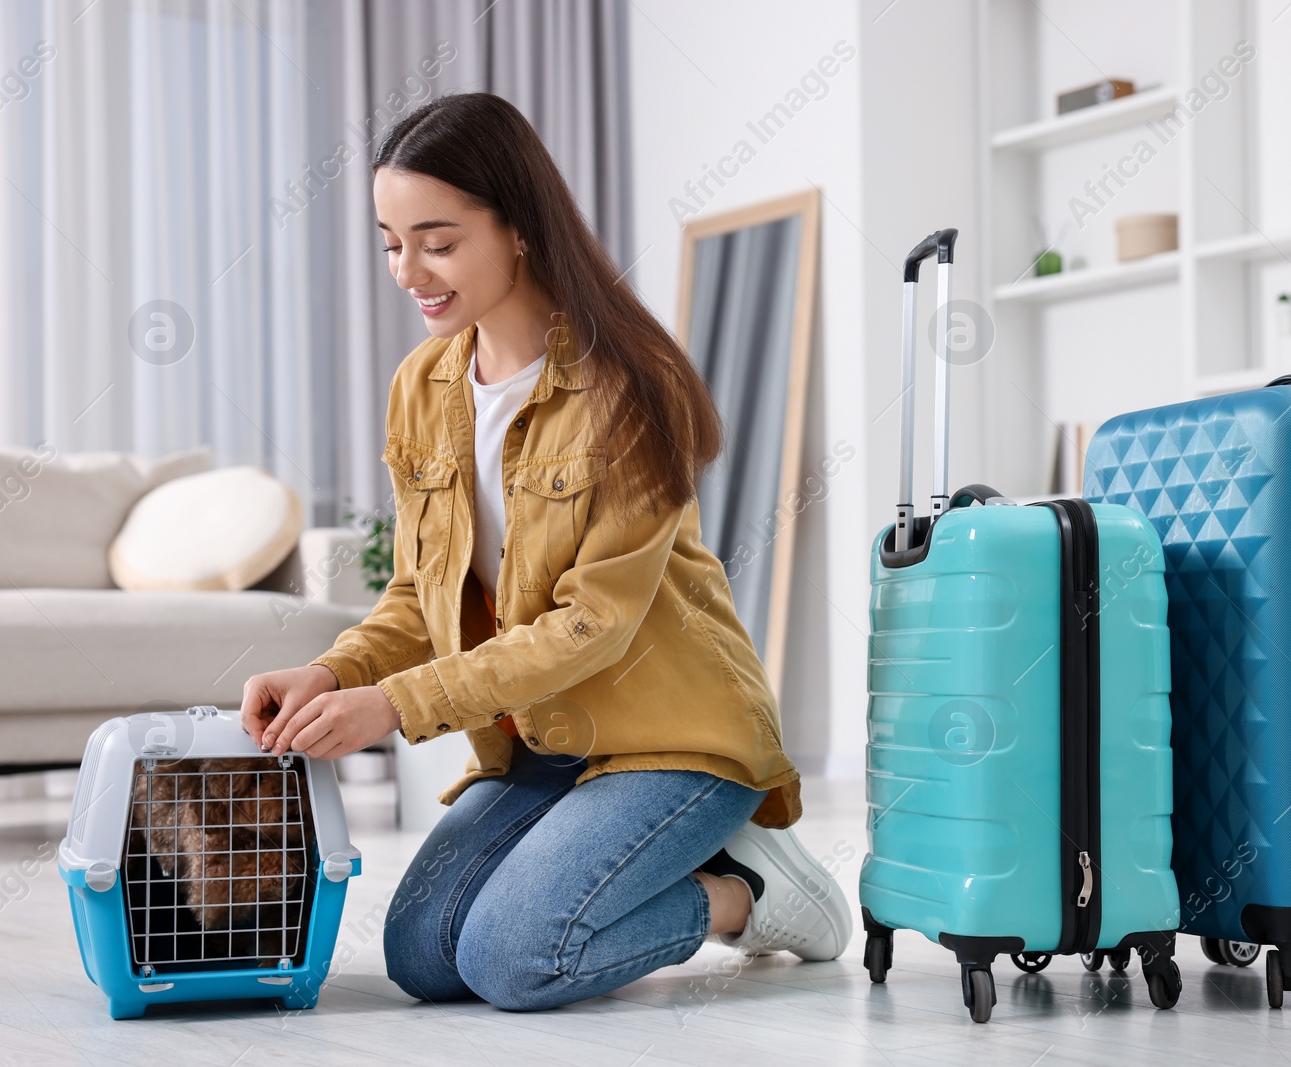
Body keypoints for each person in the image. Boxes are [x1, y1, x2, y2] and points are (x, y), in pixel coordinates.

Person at [238, 92, 850, 1011]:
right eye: (391, 242)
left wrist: (395, 705)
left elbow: (593, 627)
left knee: (517, 958)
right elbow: (419, 592)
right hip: (543, 745)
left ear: (519, 228)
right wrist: (332, 672)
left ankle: (746, 891)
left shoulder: (632, 389)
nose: (409, 271)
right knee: (422, 956)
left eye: (438, 242)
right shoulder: (423, 384)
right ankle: (621, 858)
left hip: (675, 741)